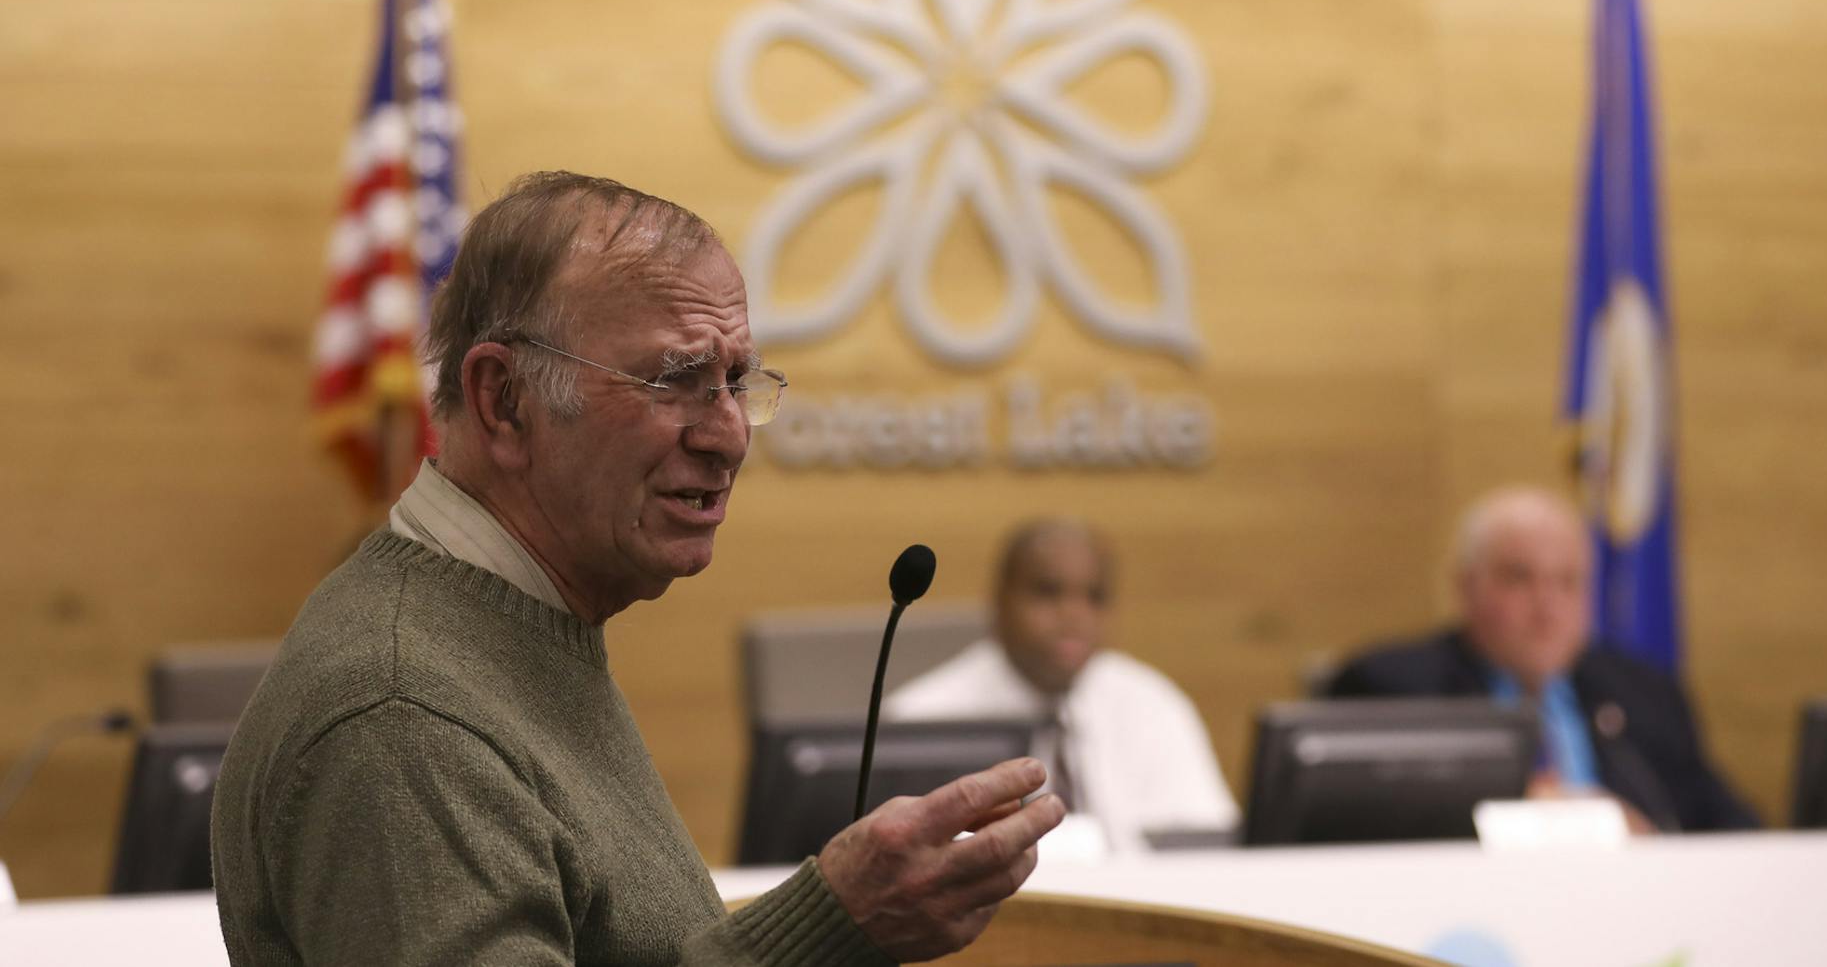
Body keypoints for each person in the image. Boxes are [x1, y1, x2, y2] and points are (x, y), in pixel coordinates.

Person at [211, 172, 1064, 965]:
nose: (729, 435)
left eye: (737, 380)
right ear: (504, 399)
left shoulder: (519, 631)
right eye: (676, 378)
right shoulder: (401, 717)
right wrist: (829, 927)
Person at [1326, 486, 1757, 833]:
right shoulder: (1393, 688)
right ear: (1466, 587)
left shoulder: (1644, 693)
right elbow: (1362, 826)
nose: (1547, 608)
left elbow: (1735, 829)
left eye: (1567, 582)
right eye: (1520, 579)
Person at [888, 519, 1239, 851]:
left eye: (1094, 597)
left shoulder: (1152, 704)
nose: (1074, 616)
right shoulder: (921, 722)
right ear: (999, 601)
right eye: (1048, 592)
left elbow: (1207, 843)